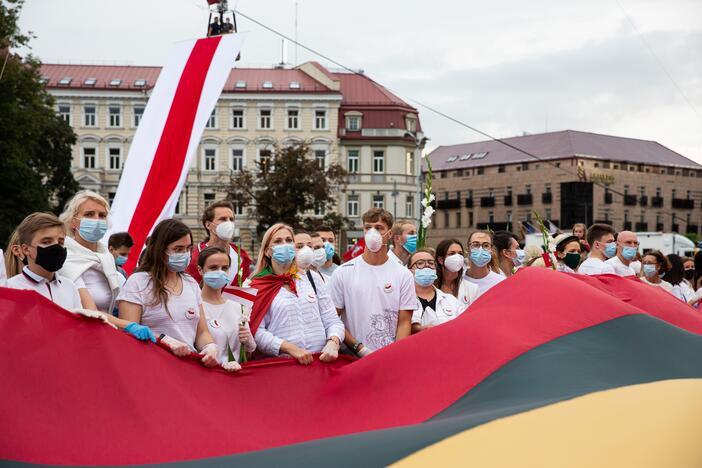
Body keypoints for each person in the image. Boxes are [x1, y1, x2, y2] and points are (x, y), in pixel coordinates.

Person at [118, 219, 223, 368]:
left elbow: (201, 332)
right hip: (153, 367)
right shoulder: (138, 282)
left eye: (188, 248)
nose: (185, 254)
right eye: (178, 249)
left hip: (187, 369)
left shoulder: (191, 283)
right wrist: (163, 340)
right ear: (160, 250)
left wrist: (210, 347)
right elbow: (127, 333)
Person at [248, 223, 344, 364]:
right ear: (268, 251)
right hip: (283, 366)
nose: (285, 245)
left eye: (289, 240)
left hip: (319, 362)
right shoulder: (258, 285)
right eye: (278, 241)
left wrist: (333, 342)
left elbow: (332, 319)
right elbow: (257, 332)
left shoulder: (312, 278)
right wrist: (290, 349)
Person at [330, 208, 415, 355]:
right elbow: (331, 317)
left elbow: (404, 322)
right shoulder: (343, 272)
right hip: (352, 356)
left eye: (379, 228)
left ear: (389, 234)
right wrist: (358, 347)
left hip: (388, 357)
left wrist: (395, 353)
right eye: (368, 227)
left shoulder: (403, 274)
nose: (372, 232)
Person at [58, 190, 122, 313]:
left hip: (107, 329)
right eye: (89, 214)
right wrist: (130, 325)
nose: (96, 220)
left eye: (102, 215)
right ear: (73, 222)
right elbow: (91, 313)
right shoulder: (66, 258)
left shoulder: (106, 259)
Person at [198, 246, 256, 370]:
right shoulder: (194, 307)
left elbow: (246, 357)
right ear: (200, 270)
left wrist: (248, 345)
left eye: (224, 268)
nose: (220, 272)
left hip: (234, 377)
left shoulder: (238, 307)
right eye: (213, 268)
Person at [186, 200, 251, 287]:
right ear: (208, 225)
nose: (229, 223)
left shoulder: (241, 256)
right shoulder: (194, 257)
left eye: (231, 219)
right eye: (223, 219)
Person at [409, 248, 463, 333]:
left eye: (431, 263)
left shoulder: (452, 301)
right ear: (410, 270)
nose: (427, 266)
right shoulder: (402, 301)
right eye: (420, 263)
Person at [435, 238, 479, 311]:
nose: (457, 257)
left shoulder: (472, 288)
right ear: (441, 260)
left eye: (460, 253)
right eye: (452, 253)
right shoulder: (432, 287)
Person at [463, 230, 505, 297]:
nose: (480, 249)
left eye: (486, 245)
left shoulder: (501, 282)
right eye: (475, 245)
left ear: (491, 250)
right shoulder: (458, 280)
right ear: (468, 249)